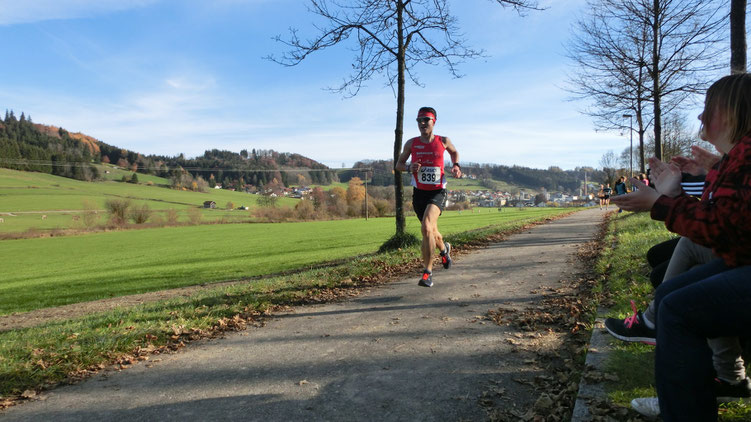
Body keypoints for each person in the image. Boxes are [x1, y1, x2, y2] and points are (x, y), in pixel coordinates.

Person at [611, 73, 751, 421]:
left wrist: (660, 202)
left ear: (734, 111)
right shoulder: (738, 155)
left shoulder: (745, 155)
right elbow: (719, 211)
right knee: (671, 291)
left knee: (677, 308)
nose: (702, 118)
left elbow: (722, 226)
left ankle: (688, 404)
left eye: (709, 109)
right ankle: (693, 389)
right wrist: (685, 184)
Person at [395, 106, 461, 287]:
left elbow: (454, 152)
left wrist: (456, 166)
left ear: (434, 122)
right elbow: (398, 164)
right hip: (419, 193)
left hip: (438, 191)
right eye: (419, 120)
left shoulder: (443, 141)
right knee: (430, 231)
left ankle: (428, 272)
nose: (422, 123)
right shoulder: (411, 143)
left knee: (425, 227)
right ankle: (444, 249)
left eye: (426, 120)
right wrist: (409, 167)